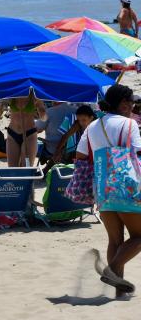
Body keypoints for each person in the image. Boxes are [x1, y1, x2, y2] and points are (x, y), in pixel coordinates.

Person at [76, 84, 141, 297]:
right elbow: (137, 155)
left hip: (102, 188)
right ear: (122, 103)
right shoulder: (129, 124)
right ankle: (111, 271)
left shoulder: (93, 126)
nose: (133, 105)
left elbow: (81, 157)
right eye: (130, 101)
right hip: (126, 186)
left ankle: (118, 293)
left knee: (115, 241)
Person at [0, 94, 47, 167]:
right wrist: (1, 102)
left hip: (29, 134)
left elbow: (44, 118)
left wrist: (41, 109)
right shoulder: (11, 94)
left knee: (27, 168)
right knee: (12, 169)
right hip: (12, 134)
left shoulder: (34, 95)